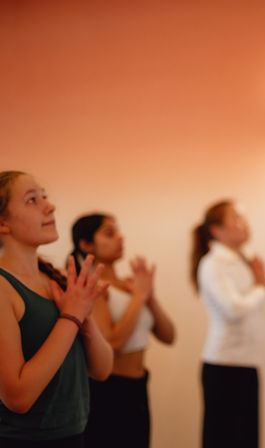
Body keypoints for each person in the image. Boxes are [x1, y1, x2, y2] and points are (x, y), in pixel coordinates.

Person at [0, 171, 113, 448]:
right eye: (31, 200)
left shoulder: (56, 278)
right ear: (3, 222)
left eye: (45, 197)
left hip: (74, 435)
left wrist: (83, 317)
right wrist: (72, 316)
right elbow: (18, 398)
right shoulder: (3, 288)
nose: (49, 206)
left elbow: (103, 369)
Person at [191, 200, 265, 448]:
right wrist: (260, 286)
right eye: (236, 218)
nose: (244, 223)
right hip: (223, 365)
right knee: (223, 440)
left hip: (248, 363)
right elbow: (234, 310)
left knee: (246, 439)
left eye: (244, 217)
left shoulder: (248, 260)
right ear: (216, 230)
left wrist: (262, 282)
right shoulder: (212, 264)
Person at [70, 213, 175, 448]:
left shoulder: (129, 287)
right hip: (109, 391)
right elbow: (113, 344)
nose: (120, 237)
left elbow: (169, 336)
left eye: (118, 231)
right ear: (86, 244)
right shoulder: (92, 288)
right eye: (109, 233)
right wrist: (139, 296)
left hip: (138, 387)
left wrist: (150, 297)